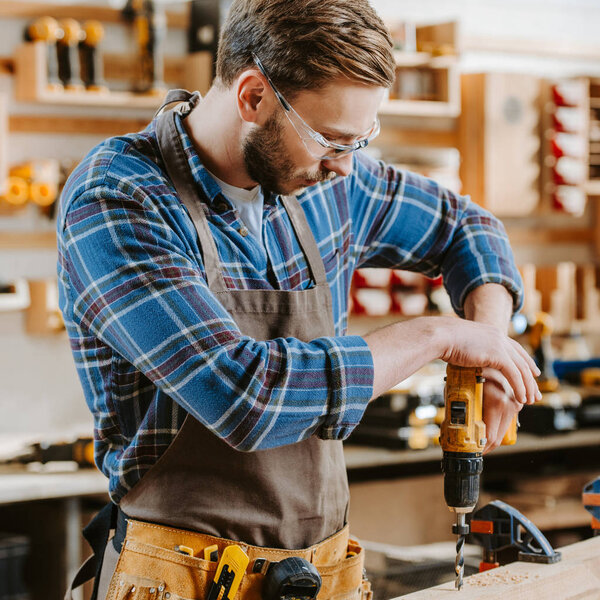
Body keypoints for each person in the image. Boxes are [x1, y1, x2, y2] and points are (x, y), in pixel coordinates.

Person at [58, 0, 541, 598]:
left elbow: (469, 228)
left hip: (323, 575)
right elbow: (244, 396)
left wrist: (489, 347)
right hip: (177, 579)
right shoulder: (119, 199)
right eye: (331, 138)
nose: (345, 164)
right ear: (254, 96)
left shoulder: (330, 182)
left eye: (363, 139)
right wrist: (435, 335)